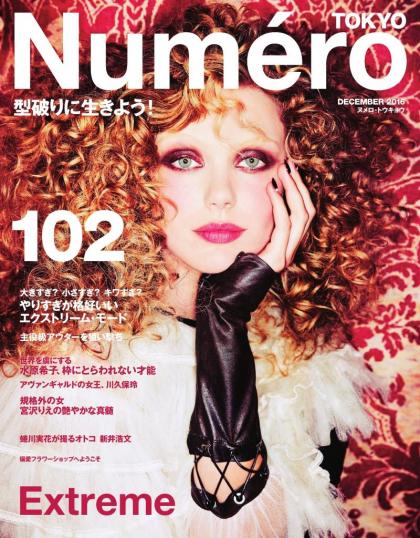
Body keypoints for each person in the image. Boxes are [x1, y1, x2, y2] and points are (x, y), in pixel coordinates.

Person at [0, 3, 406, 537]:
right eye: (185, 159)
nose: (221, 195)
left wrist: (224, 319)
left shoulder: (306, 356)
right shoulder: (74, 364)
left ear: (300, 178)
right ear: (127, 170)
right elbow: (224, 515)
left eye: (252, 159)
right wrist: (224, 323)